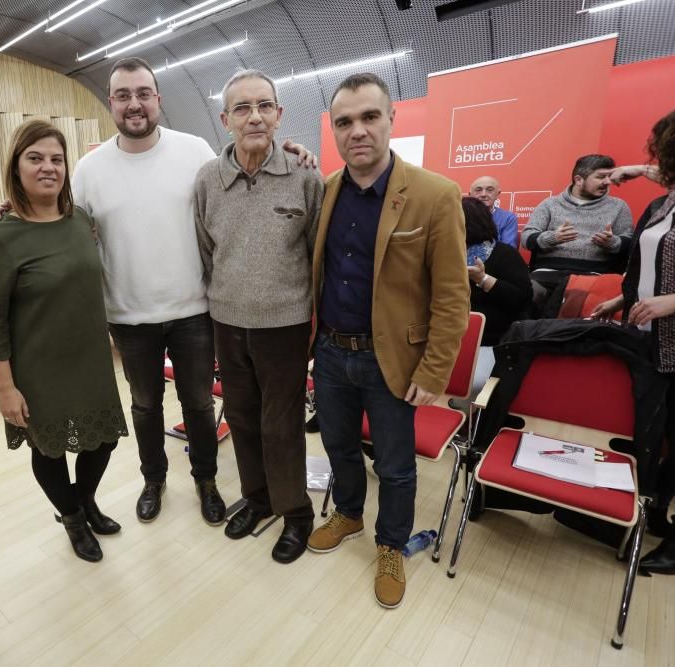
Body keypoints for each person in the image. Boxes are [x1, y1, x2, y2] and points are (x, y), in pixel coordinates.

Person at [67, 57, 317, 526]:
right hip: (127, 315)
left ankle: (206, 480)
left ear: (159, 100)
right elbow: (67, 230)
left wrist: (293, 152)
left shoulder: (195, 150)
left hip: (196, 313)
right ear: (111, 103)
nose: (135, 103)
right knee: (144, 406)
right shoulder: (88, 169)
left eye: (144, 93)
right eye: (123, 95)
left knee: (201, 404)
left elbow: (244, 176)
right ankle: (154, 479)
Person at [307, 73, 469, 609]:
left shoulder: (435, 194)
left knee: (397, 466)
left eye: (369, 117)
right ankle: (350, 515)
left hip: (392, 360)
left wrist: (434, 372)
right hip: (331, 353)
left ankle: (391, 543)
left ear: (392, 118)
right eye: (345, 121)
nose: (358, 131)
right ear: (333, 129)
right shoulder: (326, 190)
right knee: (339, 447)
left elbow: (452, 298)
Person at [0, 120, 128, 563]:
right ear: (16, 167)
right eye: (35, 158)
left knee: (104, 440)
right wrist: (5, 387)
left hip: (91, 359)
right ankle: (74, 518)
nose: (48, 167)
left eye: (56, 159)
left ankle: (82, 502)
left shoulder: (80, 220)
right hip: (38, 368)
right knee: (51, 447)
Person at [194, 70, 323, 563]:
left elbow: (317, 257)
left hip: (285, 326)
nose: (255, 116)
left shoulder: (304, 175)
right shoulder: (208, 180)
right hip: (228, 322)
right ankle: (258, 499)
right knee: (243, 418)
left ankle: (296, 513)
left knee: (281, 424)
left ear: (279, 115)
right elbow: (207, 251)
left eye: (264, 106)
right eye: (242, 108)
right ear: (226, 120)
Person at [592, 97, 675, 575]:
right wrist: (627, 297)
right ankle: (656, 508)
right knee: (657, 433)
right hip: (650, 332)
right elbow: (655, 255)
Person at [521, 154, 633, 293]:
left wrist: (613, 242)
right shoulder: (550, 204)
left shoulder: (619, 206)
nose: (607, 182)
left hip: (593, 276)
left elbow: (629, 241)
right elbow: (526, 239)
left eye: (609, 176)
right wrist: (552, 238)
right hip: (548, 273)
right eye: (600, 177)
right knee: (526, 295)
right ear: (579, 180)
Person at [460, 196, 533, 396]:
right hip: (446, 339)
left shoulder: (504, 254)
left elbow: (522, 299)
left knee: (472, 386)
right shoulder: (440, 254)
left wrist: (483, 279)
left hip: (490, 342)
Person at [469, 176, 518, 247]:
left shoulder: (507, 218)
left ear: (498, 194)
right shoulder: (461, 216)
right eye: (478, 190)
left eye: (489, 190)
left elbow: (508, 250)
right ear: (470, 194)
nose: (483, 194)